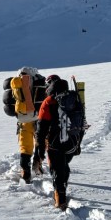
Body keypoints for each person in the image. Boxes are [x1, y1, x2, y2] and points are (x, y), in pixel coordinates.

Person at [34, 74, 83, 210]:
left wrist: (40, 149)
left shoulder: (48, 101)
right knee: (63, 166)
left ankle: (60, 200)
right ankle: (63, 190)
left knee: (56, 170)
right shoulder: (75, 98)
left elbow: (41, 128)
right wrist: (78, 144)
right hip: (72, 142)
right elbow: (81, 122)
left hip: (55, 142)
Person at [11, 66, 46, 184]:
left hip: (23, 119)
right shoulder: (38, 81)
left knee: (25, 147)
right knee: (40, 143)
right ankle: (37, 165)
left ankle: (25, 172)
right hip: (38, 119)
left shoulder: (17, 81)